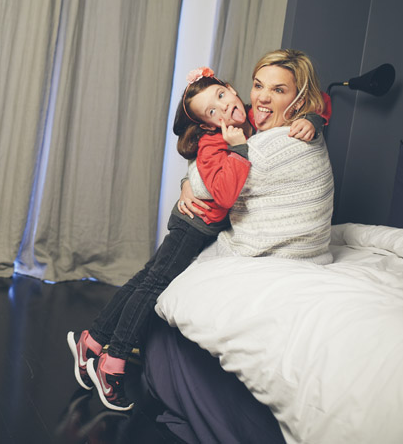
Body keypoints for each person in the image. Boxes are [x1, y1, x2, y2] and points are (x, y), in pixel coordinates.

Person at [67, 65, 326, 412]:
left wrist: (314, 120)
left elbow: (321, 100)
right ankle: (113, 363)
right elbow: (223, 195)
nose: (224, 109)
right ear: (207, 124)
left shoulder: (252, 115)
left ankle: (92, 340)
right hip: (192, 226)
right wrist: (239, 150)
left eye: (221, 96)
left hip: (202, 225)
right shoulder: (215, 142)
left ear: (232, 89)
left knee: (146, 278)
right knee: (153, 286)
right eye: (212, 112)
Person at [179, 49, 334, 264]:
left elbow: (321, 101)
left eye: (278, 90)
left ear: (299, 100)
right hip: (194, 220)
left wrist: (312, 119)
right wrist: (187, 181)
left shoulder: (262, 130)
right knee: (155, 276)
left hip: (215, 221)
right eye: (258, 86)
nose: (262, 97)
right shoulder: (222, 133)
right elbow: (206, 178)